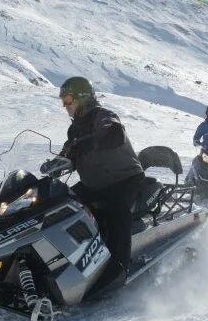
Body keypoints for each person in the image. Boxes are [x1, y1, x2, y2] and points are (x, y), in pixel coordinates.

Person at [57, 76, 144, 290]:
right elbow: (69, 151)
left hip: (124, 178)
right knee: (62, 203)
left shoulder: (102, 116)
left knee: (116, 210)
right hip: (96, 184)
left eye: (68, 99)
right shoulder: (74, 129)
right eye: (63, 101)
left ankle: (117, 269)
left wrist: (92, 141)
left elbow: (114, 132)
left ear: (82, 97)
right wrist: (56, 164)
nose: (65, 106)